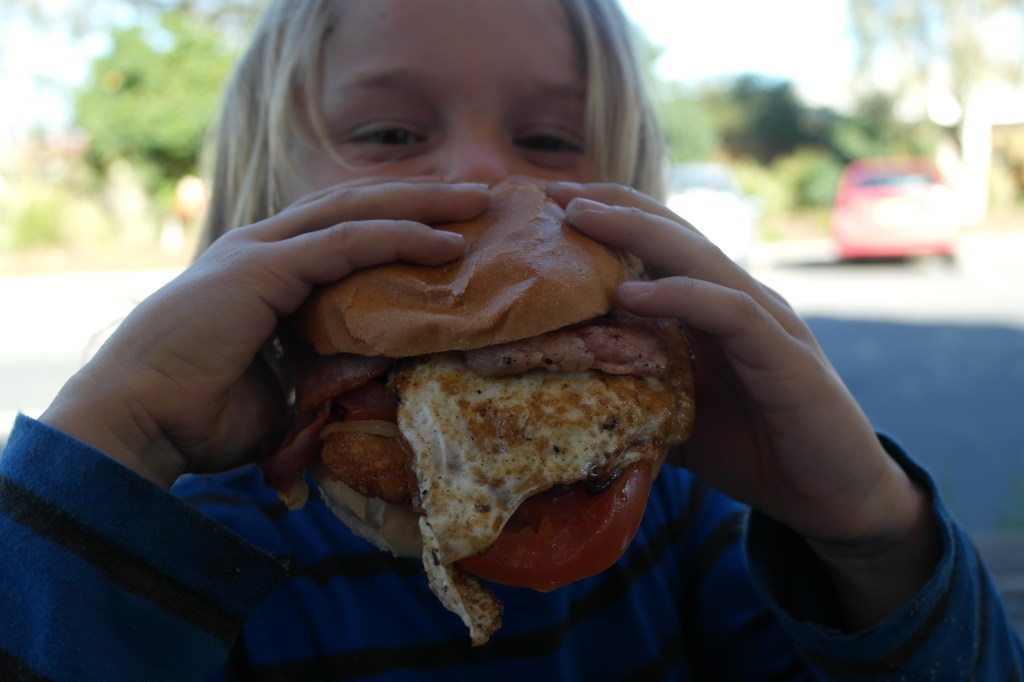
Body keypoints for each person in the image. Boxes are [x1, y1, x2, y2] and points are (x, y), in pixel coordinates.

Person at [1, 0, 1021, 679]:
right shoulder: (162, 539)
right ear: (266, 201)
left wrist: (865, 532)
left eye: (548, 140)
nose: (487, 181)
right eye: (390, 136)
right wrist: (116, 436)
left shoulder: (686, 509)